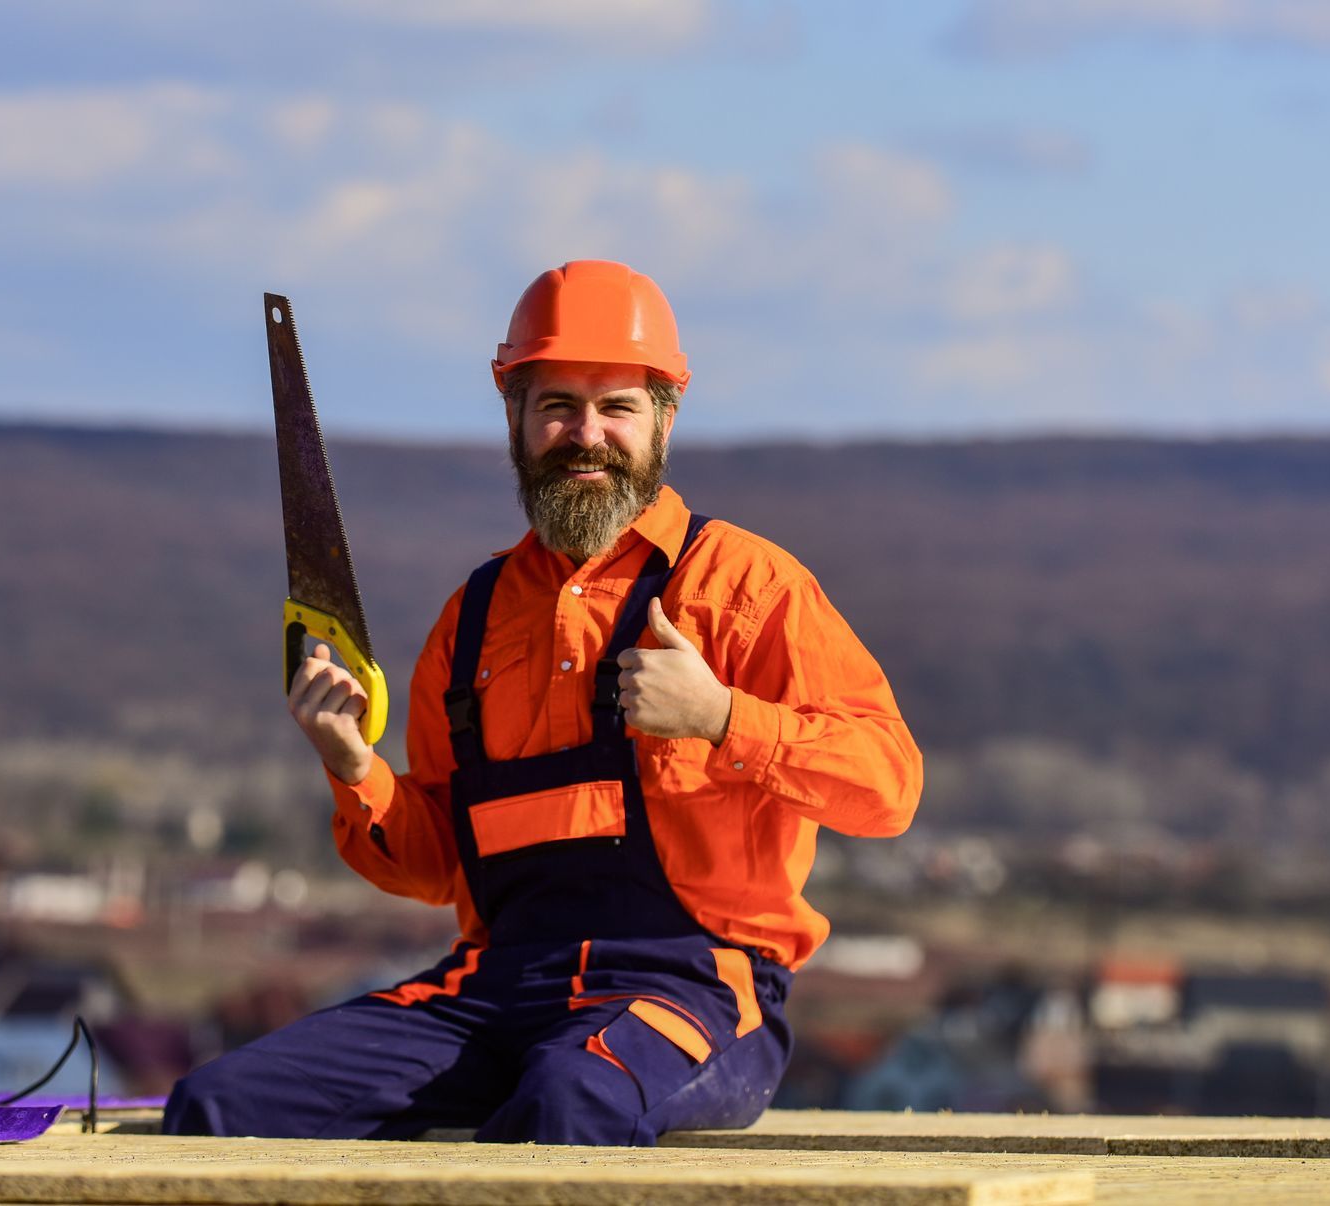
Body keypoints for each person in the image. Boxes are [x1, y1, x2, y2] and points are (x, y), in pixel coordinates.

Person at [164, 259, 921, 1145]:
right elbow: (441, 861)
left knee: (568, 1103)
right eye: (556, 404)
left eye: (617, 407)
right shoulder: (474, 618)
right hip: (495, 987)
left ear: (664, 420)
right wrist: (355, 767)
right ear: (515, 419)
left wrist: (722, 718)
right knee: (215, 1107)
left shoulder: (746, 587)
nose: (585, 433)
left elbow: (889, 788)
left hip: (695, 990)